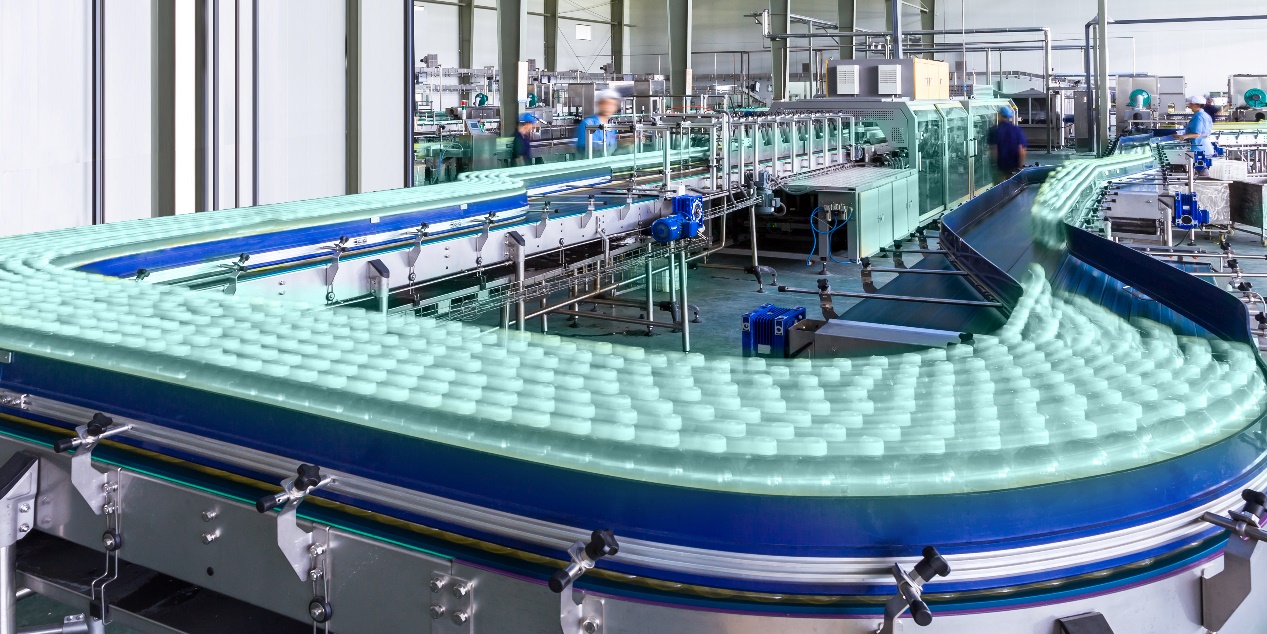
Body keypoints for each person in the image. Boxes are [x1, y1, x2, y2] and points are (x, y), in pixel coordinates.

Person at [1173, 95, 1215, 176]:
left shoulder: (1198, 116)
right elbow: (1204, 133)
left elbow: (1197, 134)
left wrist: (1183, 136)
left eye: (1191, 103)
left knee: (1201, 170)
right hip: (1205, 146)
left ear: (1196, 105)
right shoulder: (1205, 115)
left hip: (1198, 147)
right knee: (1202, 169)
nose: (1189, 105)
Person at [987, 106, 1028, 183]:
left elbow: (994, 150)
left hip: (1000, 166)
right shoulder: (1017, 130)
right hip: (1014, 166)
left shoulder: (994, 130)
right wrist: (1021, 167)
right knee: (1014, 186)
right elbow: (1022, 150)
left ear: (1000, 115)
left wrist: (994, 165)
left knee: (999, 188)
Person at [575, 90, 621, 157]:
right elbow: (583, 150)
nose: (609, 107)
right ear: (598, 104)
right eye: (606, 103)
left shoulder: (612, 126)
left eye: (613, 104)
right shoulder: (587, 124)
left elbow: (613, 149)